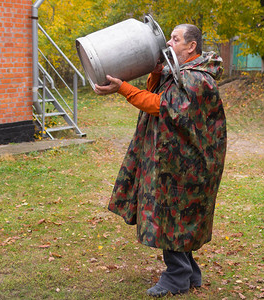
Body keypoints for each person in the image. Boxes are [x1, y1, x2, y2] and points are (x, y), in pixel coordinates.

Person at [94, 23, 227, 297]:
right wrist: (155, 70)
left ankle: (176, 277)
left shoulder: (195, 79)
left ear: (191, 47)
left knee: (173, 213)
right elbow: (156, 90)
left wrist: (123, 89)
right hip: (177, 158)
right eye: (169, 37)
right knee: (179, 214)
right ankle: (189, 272)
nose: (168, 43)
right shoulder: (180, 72)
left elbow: (159, 105)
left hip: (186, 163)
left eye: (175, 39)